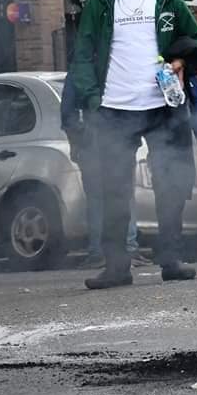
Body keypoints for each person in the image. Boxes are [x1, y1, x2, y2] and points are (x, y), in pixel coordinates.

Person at [69, 0, 197, 289]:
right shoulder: (100, 3)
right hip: (114, 108)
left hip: (162, 107)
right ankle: (116, 266)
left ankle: (171, 260)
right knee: (114, 187)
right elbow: (82, 55)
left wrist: (179, 61)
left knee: (171, 183)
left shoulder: (168, 0)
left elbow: (195, 39)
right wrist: (93, 100)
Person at [61, 74, 151, 269]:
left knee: (98, 199)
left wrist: (78, 140)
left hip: (94, 142)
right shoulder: (119, 67)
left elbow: (68, 112)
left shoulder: (80, 71)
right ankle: (127, 249)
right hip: (118, 139)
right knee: (123, 195)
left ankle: (99, 252)